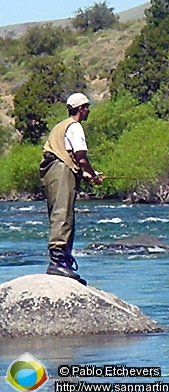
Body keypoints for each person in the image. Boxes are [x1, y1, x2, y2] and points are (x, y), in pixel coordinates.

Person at [39, 93, 104, 286]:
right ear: (81, 108)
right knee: (63, 214)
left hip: (54, 173)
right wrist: (93, 175)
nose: (88, 111)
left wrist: (85, 174)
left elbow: (67, 157)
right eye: (87, 107)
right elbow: (81, 158)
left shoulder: (61, 125)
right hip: (61, 172)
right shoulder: (75, 127)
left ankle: (62, 260)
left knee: (58, 212)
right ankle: (59, 262)